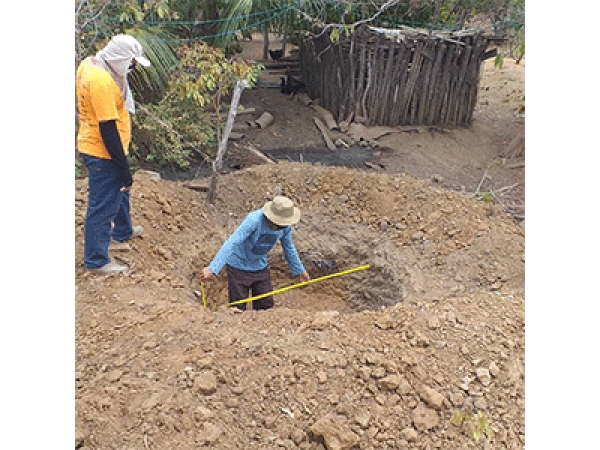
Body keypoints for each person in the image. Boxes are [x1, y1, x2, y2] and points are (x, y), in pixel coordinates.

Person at [76, 35, 151, 274]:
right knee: (102, 206)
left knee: (120, 193)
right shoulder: (101, 82)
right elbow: (107, 129)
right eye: (131, 62)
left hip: (106, 146)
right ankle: (96, 260)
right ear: (120, 59)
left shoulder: (92, 63)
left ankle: (122, 231)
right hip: (103, 151)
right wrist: (123, 169)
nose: (133, 67)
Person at [199, 196, 311, 310]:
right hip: (238, 267)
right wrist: (212, 269)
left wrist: (299, 270)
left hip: (260, 266)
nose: (279, 228)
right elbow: (232, 242)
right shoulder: (254, 220)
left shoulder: (285, 227)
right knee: (237, 307)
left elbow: (288, 247)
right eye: (278, 225)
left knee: (266, 305)